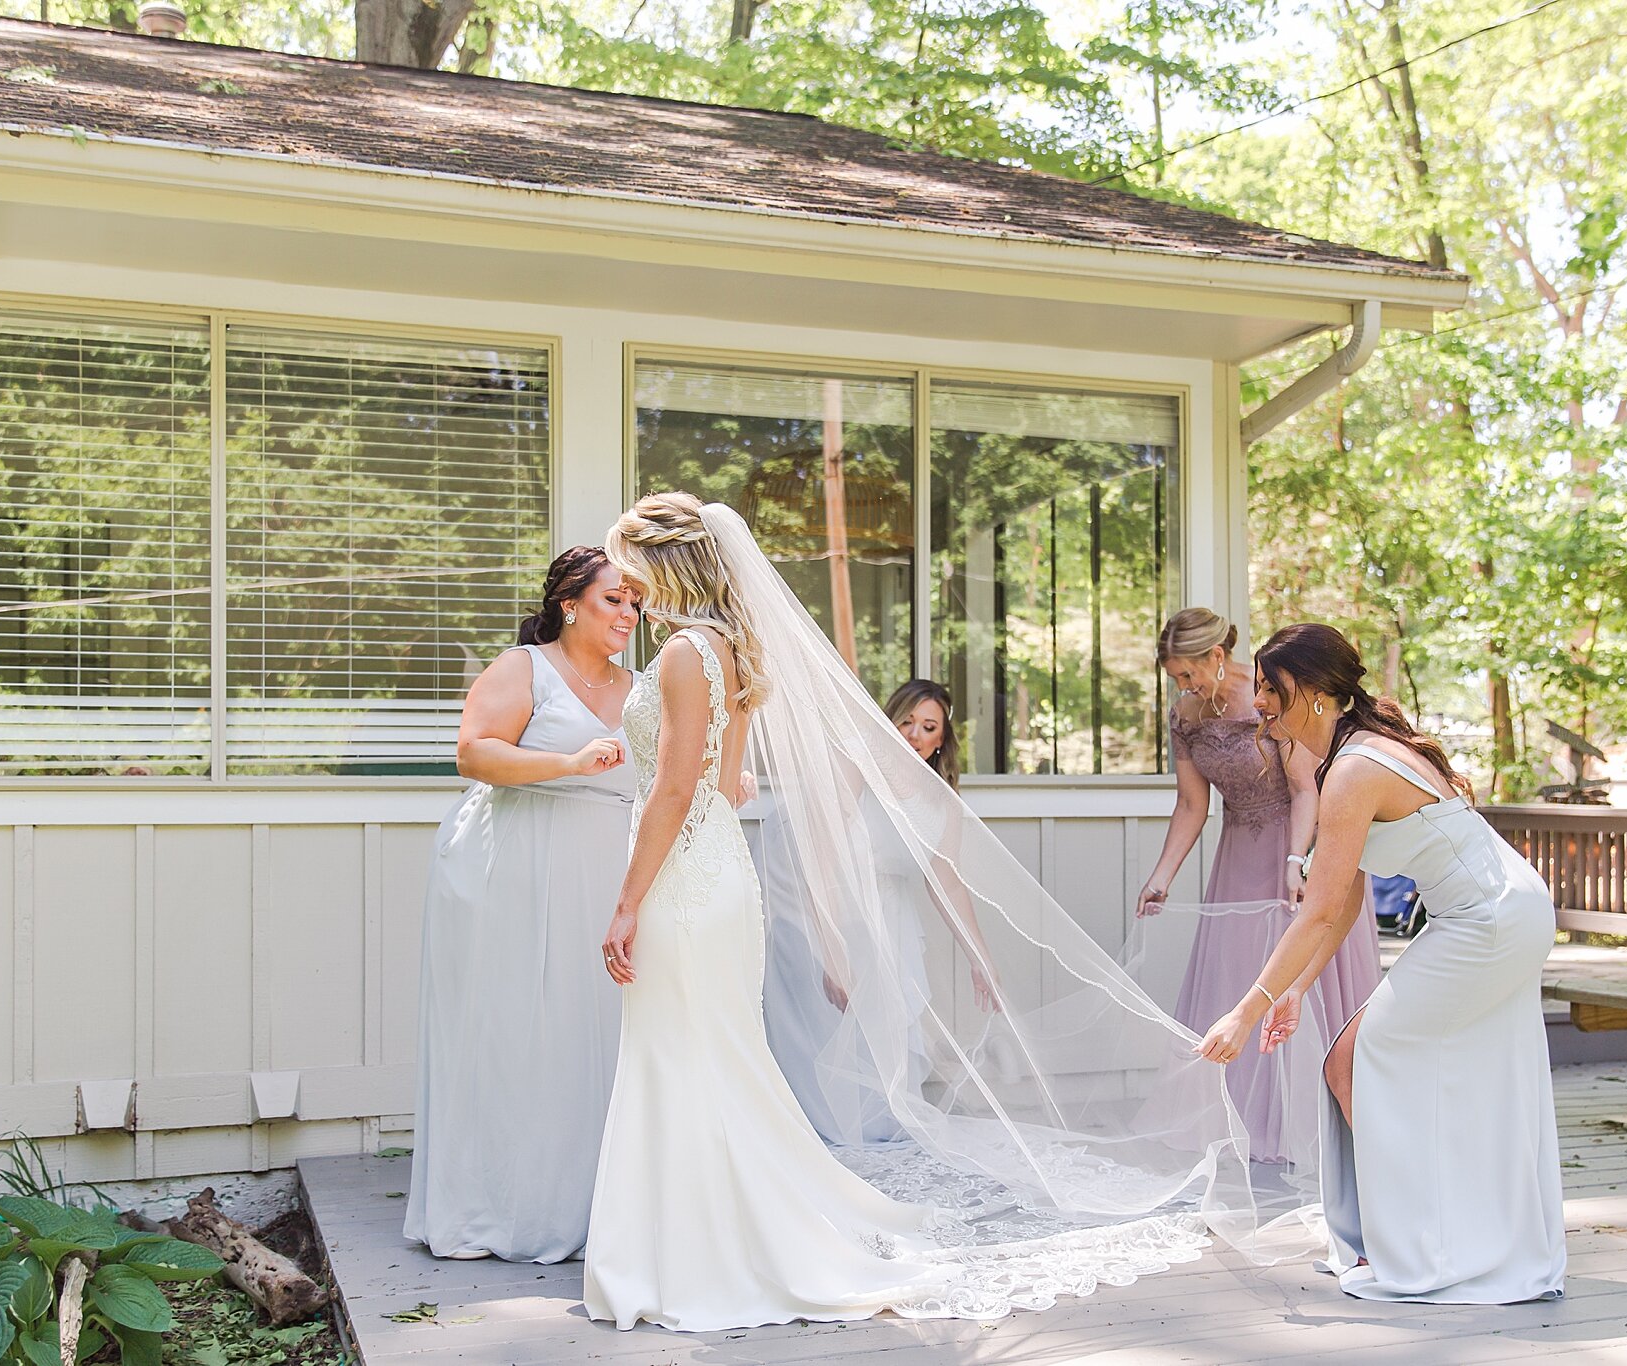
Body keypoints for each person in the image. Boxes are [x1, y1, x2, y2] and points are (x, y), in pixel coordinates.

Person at [582, 493, 1296, 1334]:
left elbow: (674, 787)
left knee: (682, 1054)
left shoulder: (679, 656)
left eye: (630, 569)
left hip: (680, 881)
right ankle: (708, 1237)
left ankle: (690, 1248)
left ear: (661, 564)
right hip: (718, 871)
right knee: (713, 1056)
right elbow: (733, 784)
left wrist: (628, 899)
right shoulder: (731, 652)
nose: (628, 586)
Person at [1197, 623, 1566, 1304]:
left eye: (1272, 691)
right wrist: (1297, 989)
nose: (1261, 707)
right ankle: (1411, 1232)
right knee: (1359, 1060)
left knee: (1355, 1061)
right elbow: (1345, 901)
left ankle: (1422, 1240)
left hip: (1489, 922)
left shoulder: (1356, 768)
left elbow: (1316, 909)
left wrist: (1244, 1012)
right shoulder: (1352, 757)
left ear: (1309, 692)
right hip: (1490, 915)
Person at [404, 547, 640, 1264]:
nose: (628, 615)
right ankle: (500, 1206)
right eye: (613, 601)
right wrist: (568, 764)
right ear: (569, 604)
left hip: (604, 865)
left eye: (635, 604)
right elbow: (474, 754)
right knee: (514, 1029)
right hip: (513, 863)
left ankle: (592, 1206)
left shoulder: (644, 686)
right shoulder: (523, 667)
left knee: (588, 1025)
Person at [1136, 608, 1379, 1162]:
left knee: (1297, 977)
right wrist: (1162, 876)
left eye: (1188, 674)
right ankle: (1242, 1122)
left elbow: (1304, 789)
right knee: (1236, 979)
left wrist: (1297, 860)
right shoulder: (1186, 714)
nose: (1183, 686)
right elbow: (1192, 803)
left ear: (1216, 657)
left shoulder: (1270, 696)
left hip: (1294, 849)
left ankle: (1315, 1120)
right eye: (1175, 678)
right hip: (1237, 859)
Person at [760, 680, 995, 1144]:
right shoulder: (857, 766)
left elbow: (945, 880)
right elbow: (823, 852)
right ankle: (811, 1123)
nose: (913, 733)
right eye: (905, 721)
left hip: (887, 907)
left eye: (928, 727)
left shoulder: (943, 803)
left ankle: (874, 1119)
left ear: (941, 741)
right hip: (815, 896)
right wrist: (832, 948)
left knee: (886, 1018)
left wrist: (979, 958)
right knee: (823, 1018)